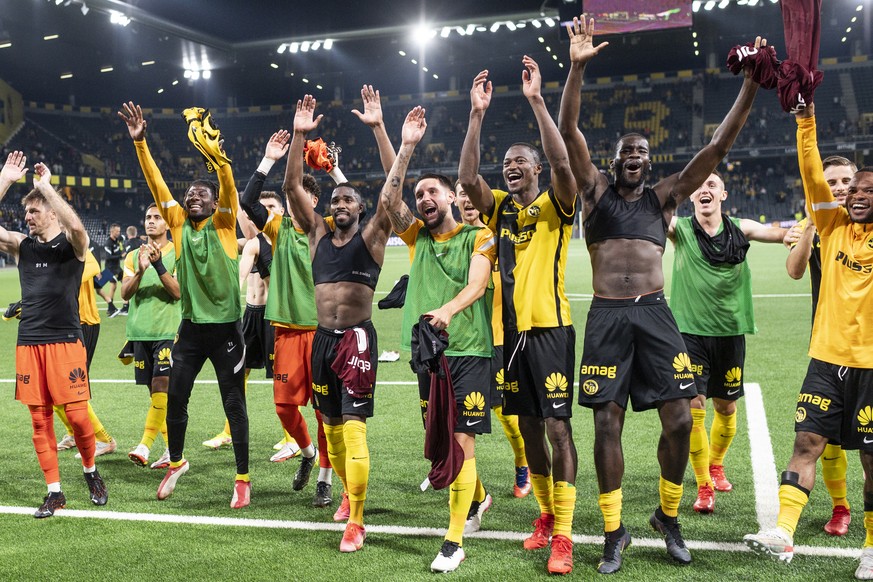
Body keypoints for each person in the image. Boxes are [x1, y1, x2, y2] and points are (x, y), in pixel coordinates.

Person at [560, 16, 761, 573]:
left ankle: (667, 517)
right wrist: (576, 68)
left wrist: (749, 85)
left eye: (643, 151)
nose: (634, 156)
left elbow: (718, 146)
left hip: (654, 315)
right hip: (606, 317)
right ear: (614, 157)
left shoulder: (666, 198)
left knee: (679, 419)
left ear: (650, 161)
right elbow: (569, 129)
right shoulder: (594, 192)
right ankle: (612, 530)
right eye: (626, 149)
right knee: (607, 424)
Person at [458, 55, 579, 575]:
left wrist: (536, 101)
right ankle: (546, 517)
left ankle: (567, 536)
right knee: (529, 432)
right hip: (509, 339)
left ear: (535, 167)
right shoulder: (502, 207)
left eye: (519, 161)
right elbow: (467, 177)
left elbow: (564, 165)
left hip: (551, 329)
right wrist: (476, 116)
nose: (510, 167)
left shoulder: (558, 202)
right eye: (506, 162)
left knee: (557, 430)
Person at [744, 105, 873, 580]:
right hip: (825, 359)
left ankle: (871, 547)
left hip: (871, 365)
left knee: (871, 461)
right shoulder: (830, 225)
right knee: (807, 441)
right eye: (850, 189)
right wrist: (805, 121)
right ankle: (783, 531)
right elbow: (810, 172)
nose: (853, 196)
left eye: (864, 190)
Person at [119, 101, 251, 509]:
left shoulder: (226, 224)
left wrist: (218, 159)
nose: (193, 197)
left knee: (234, 403)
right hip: (192, 329)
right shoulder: (176, 223)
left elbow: (227, 184)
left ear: (213, 203)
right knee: (176, 396)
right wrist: (140, 143)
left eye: (201, 195)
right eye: (189, 194)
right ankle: (176, 461)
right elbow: (156, 183)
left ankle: (243, 478)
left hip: (228, 329)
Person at [383, 106, 496, 571]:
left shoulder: (480, 236)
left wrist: (448, 310)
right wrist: (405, 146)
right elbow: (390, 203)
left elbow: (478, 284)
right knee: (444, 440)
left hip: (468, 351)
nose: (424, 197)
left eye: (433, 190)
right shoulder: (416, 239)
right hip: (428, 355)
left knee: (461, 439)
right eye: (419, 193)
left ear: (452, 196)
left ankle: (453, 540)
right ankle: (481, 497)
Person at [283, 93, 395, 552]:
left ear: (362, 210)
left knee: (353, 428)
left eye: (349, 198)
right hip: (323, 342)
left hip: (357, 343)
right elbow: (292, 188)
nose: (341, 202)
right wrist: (299, 135)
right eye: (335, 198)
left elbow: (393, 188)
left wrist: (381, 130)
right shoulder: (315, 234)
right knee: (329, 427)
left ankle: (358, 521)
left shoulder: (372, 237)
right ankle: (349, 494)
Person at [667, 171, 786, 514]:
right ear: (691, 197)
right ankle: (705, 485)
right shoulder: (681, 229)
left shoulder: (741, 227)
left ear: (723, 195)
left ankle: (716, 464)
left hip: (730, 332)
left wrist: (802, 229)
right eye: (699, 187)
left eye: (712, 186)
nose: (704, 190)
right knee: (694, 408)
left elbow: (777, 234)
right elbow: (650, 217)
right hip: (689, 333)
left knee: (726, 407)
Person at [0, 151, 107, 517]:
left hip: (65, 340)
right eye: (26, 212)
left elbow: (77, 229)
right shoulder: (21, 246)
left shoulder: (71, 247)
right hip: (29, 343)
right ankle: (55, 491)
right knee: (39, 419)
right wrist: (6, 180)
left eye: (34, 211)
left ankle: (91, 471)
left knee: (77, 416)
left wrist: (47, 187)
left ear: (51, 212)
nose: (27, 217)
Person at [239, 132, 334, 507]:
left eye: (304, 198)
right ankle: (308, 454)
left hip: (323, 332)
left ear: (315, 202)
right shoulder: (277, 230)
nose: (296, 202)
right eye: (292, 198)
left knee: (326, 410)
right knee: (284, 408)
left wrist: (334, 168)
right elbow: (248, 201)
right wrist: (268, 160)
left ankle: (325, 476)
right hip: (286, 334)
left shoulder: (326, 229)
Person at [783, 155, 856, 536]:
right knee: (821, 435)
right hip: (827, 344)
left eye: (847, 180)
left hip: (866, 348)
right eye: (832, 182)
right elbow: (795, 270)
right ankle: (840, 506)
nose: (840, 187)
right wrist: (811, 222)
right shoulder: (812, 225)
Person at [455, 181, 531, 500]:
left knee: (506, 416)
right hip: (462, 341)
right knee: (458, 421)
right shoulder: (453, 237)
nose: (468, 199)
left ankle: (523, 463)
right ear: (454, 200)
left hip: (498, 337)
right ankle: (474, 490)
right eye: (462, 193)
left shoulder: (499, 235)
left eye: (471, 194)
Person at [122, 203, 181, 471]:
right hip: (140, 332)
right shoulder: (133, 256)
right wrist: (142, 269)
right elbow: (125, 293)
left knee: (161, 387)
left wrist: (158, 266)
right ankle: (171, 450)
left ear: (168, 224)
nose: (151, 221)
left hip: (168, 331)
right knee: (155, 394)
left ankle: (145, 445)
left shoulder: (178, 254)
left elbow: (178, 292)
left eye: (157, 217)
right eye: (148, 217)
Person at [54, 247, 117, 459]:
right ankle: (73, 433)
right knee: (54, 386)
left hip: (83, 323)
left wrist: (53, 275)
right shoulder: (48, 250)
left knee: (73, 387)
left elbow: (92, 268)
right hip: (60, 325)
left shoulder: (76, 246)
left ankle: (103, 439)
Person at [97, 223, 124, 316]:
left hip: (117, 268)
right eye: (117, 231)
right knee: (113, 285)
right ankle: (111, 307)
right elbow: (108, 257)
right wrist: (120, 256)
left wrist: (139, 236)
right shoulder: (108, 243)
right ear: (112, 231)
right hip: (111, 269)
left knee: (124, 283)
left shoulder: (118, 239)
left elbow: (125, 238)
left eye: (119, 231)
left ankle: (124, 306)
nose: (119, 233)